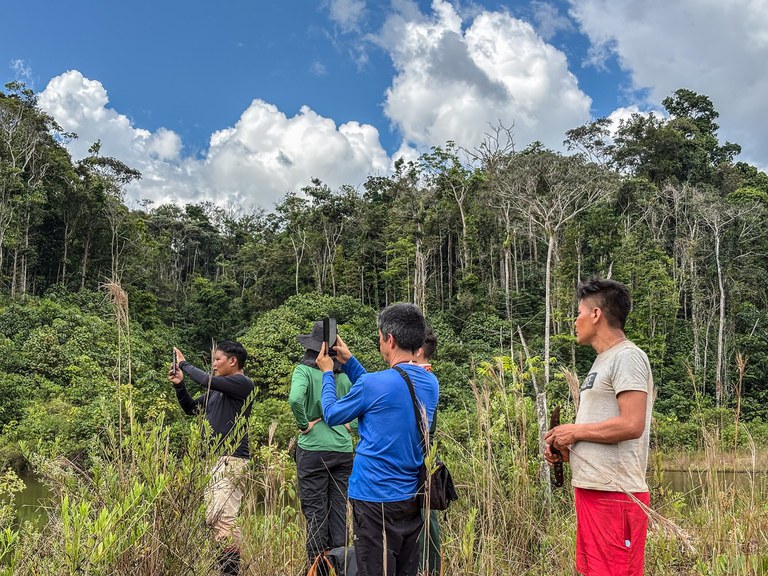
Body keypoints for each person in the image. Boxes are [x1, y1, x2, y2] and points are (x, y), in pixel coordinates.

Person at [316, 303, 439, 576]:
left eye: (380, 336)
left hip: (373, 501)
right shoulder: (431, 383)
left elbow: (332, 414)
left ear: (390, 340)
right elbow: (389, 388)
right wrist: (350, 363)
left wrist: (327, 372)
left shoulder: (375, 385)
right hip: (410, 499)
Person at [544, 279, 654, 576]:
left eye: (578, 313)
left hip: (616, 496)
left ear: (595, 314)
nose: (574, 321)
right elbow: (606, 431)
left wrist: (576, 432)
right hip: (593, 490)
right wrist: (570, 449)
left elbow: (632, 424)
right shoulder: (602, 361)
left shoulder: (627, 356)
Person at [169, 341, 255, 576]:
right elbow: (191, 409)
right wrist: (179, 385)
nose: (214, 364)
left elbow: (206, 379)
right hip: (214, 460)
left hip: (231, 459)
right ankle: (225, 569)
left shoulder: (242, 384)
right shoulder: (218, 391)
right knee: (214, 519)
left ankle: (229, 572)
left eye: (217, 359)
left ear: (233, 361)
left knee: (223, 519)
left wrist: (184, 364)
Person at [289, 320, 356, 574]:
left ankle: (317, 571)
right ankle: (340, 569)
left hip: (313, 449)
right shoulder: (345, 374)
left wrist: (304, 424)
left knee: (316, 513)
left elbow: (296, 399)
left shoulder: (303, 371)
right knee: (338, 512)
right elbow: (359, 403)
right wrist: (349, 426)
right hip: (342, 449)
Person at [413, 330, 441, 576]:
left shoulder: (424, 379)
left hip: (421, 456)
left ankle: (428, 569)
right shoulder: (428, 378)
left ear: (418, 351)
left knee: (425, 518)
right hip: (424, 453)